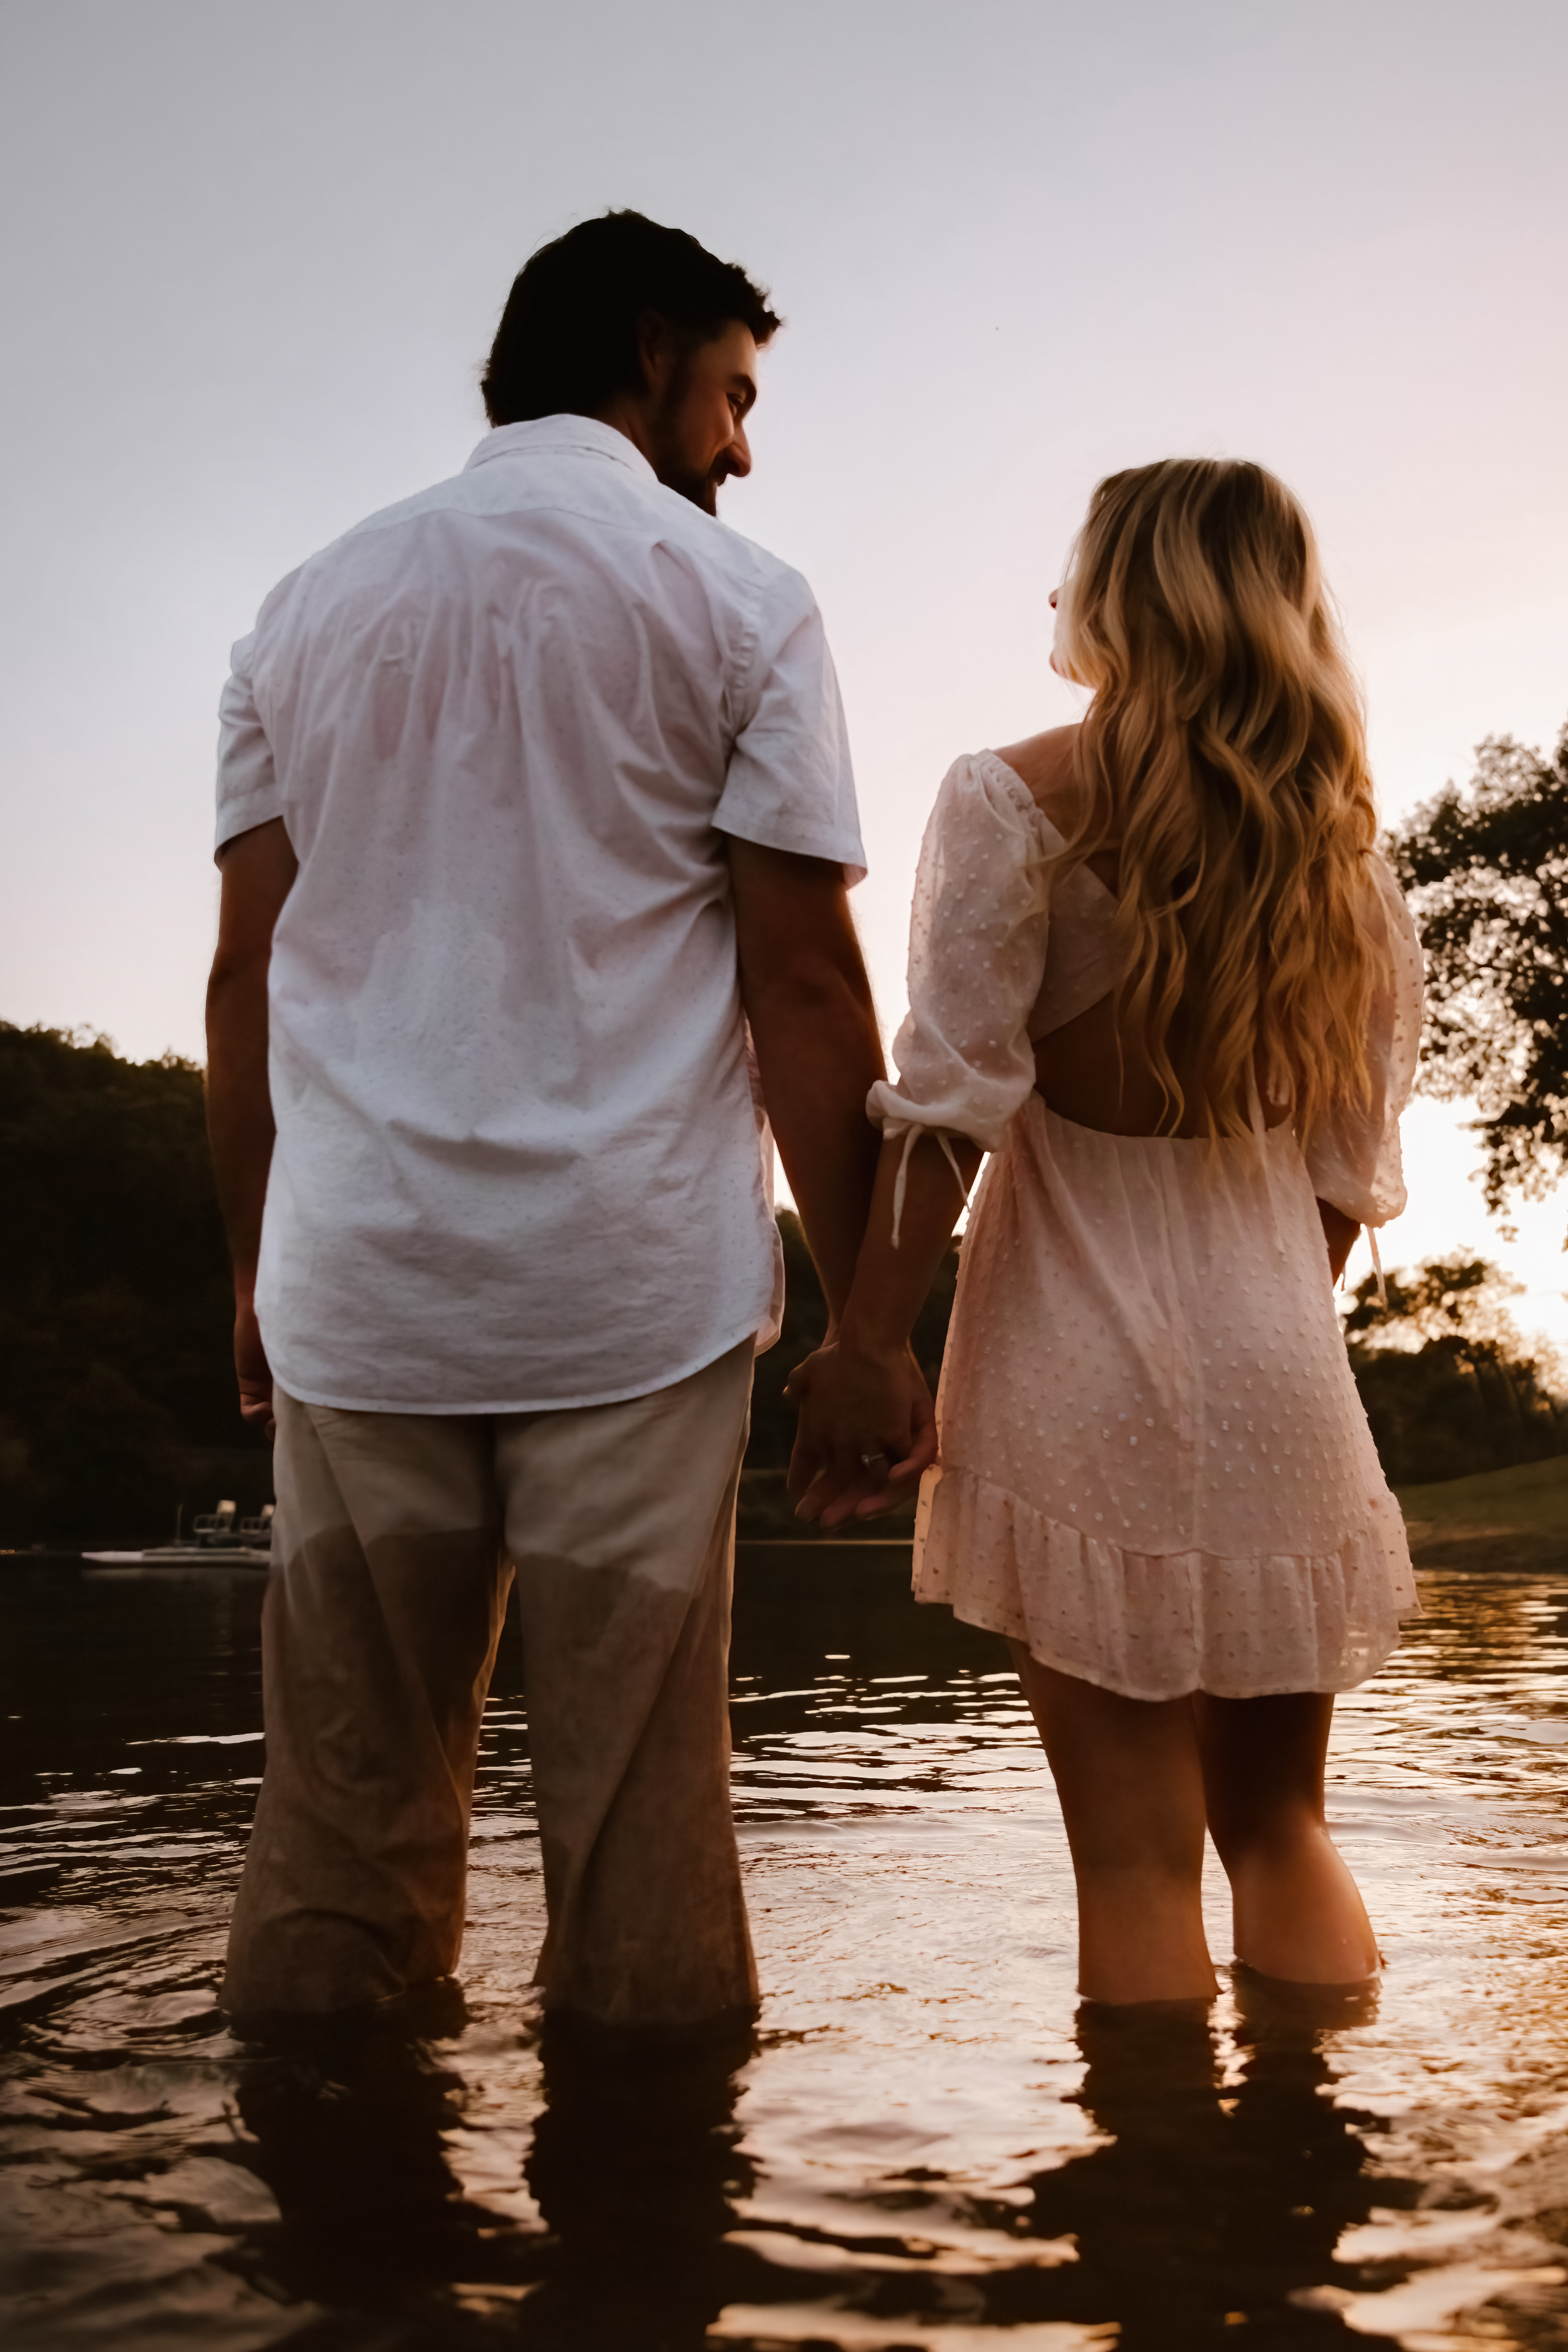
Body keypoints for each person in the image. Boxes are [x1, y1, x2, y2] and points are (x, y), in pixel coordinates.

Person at [206, 211, 920, 2031]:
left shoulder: (301, 609)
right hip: (628, 1297)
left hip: (360, 1290)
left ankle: (328, 2264)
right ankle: (648, 2250)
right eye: (736, 395)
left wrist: (253, 1268)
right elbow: (810, 988)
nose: (742, 447)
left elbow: (243, 977)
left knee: (339, 1825)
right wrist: (869, 1316)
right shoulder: (738, 602)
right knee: (633, 1828)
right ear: (649, 352)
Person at [788, 458, 1423, 2004]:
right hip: (1282, 1366)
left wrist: (867, 1335)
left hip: (1075, 1363)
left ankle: (1146, 2228)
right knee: (1277, 1823)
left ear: (1122, 590)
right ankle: (1302, 2162)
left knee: (1133, 1864)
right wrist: (1256, 1311)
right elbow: (1346, 1177)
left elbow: (946, 1106)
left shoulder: (1016, 800)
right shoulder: (1346, 858)